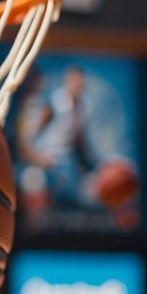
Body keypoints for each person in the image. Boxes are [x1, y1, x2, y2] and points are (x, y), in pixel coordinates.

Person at [17, 65, 97, 207]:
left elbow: (80, 141)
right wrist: (38, 158)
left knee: (76, 198)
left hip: (65, 163)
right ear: (67, 81)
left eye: (80, 81)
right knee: (36, 191)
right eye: (74, 81)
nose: (77, 85)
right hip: (44, 161)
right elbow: (30, 135)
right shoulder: (54, 102)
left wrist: (90, 165)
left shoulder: (84, 106)